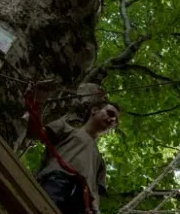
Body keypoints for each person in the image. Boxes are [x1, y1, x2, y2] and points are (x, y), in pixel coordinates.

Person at [32, 83, 119, 214]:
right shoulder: (66, 128)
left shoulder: (100, 162)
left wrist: (95, 209)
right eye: (110, 113)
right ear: (94, 110)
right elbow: (35, 133)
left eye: (115, 121)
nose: (112, 120)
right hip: (56, 180)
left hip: (83, 201)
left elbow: (95, 191)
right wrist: (38, 100)